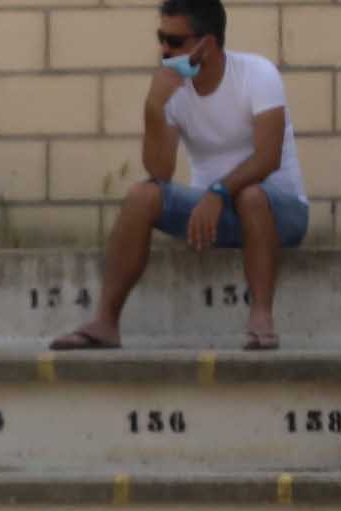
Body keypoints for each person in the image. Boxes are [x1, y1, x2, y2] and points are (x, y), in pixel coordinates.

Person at [52, 0, 309, 354]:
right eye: (161, 39)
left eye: (175, 42)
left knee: (250, 195)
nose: (164, 50)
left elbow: (267, 158)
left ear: (208, 43)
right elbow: (159, 172)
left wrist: (218, 191)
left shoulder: (257, 74)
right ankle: (106, 322)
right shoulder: (173, 90)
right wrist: (154, 107)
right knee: (142, 196)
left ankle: (261, 318)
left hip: (282, 212)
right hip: (213, 212)